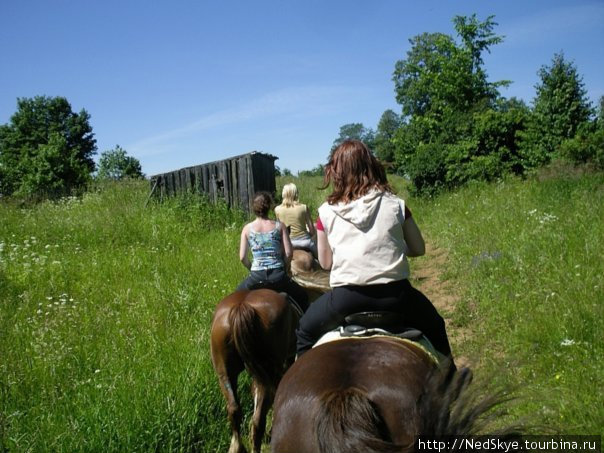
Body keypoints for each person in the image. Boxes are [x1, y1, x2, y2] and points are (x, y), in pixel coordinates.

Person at [295, 140, 457, 370]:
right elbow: (419, 249)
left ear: (336, 171)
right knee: (436, 325)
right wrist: (394, 248)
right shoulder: (397, 204)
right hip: (397, 296)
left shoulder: (325, 212)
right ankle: (454, 384)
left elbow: (326, 263)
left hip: (346, 299)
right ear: (371, 166)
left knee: (304, 331)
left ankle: (302, 385)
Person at [237, 191, 309, 312]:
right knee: (302, 295)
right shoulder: (279, 226)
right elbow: (289, 253)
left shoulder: (247, 229)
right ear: (269, 207)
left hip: (256, 277)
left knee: (236, 299)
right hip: (278, 276)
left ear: (253, 208)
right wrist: (284, 267)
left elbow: (242, 257)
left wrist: (252, 268)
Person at [275, 183, 317, 257]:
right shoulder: (304, 207)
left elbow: (279, 229)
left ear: (283, 194)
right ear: (296, 193)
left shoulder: (277, 209)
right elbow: (312, 231)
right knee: (322, 262)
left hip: (287, 243)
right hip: (305, 242)